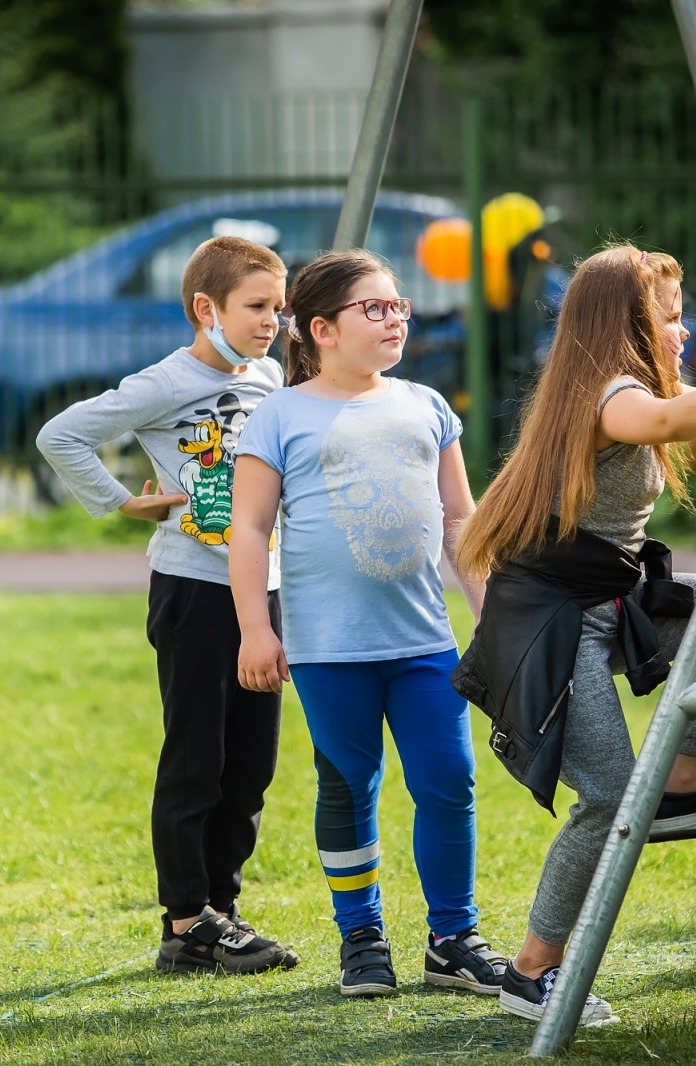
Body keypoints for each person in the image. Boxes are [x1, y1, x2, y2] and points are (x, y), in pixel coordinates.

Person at [456, 246, 696, 1026]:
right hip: (550, 628)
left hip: (608, 602)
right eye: (670, 318)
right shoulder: (609, 393)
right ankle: (530, 972)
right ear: (627, 326)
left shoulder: (621, 388)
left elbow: (680, 405)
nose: (682, 331)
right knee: (604, 797)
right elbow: (666, 417)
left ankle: (682, 783)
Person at [229, 249, 507, 999]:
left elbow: (460, 521)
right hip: (328, 650)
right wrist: (258, 629)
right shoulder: (279, 415)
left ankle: (454, 939)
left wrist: (491, 618)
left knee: (450, 781)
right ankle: (362, 936)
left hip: (424, 645)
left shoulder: (425, 405)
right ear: (321, 328)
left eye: (399, 308)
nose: (394, 320)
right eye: (374, 309)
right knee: (349, 785)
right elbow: (249, 530)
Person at [36, 236, 298, 975]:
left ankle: (221, 910)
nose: (271, 321)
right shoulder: (163, 381)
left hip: (263, 592)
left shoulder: (271, 376)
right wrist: (125, 503)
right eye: (256, 307)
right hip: (192, 592)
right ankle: (185, 923)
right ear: (204, 308)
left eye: (278, 308)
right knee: (198, 761)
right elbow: (61, 435)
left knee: (251, 764)